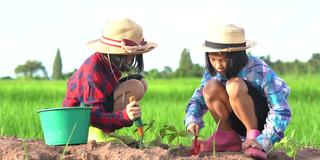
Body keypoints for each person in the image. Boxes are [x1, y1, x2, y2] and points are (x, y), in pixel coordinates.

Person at [185, 23, 291, 160]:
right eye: (213, 59)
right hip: (235, 121)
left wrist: (264, 140)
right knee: (210, 88)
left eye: (223, 60)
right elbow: (197, 100)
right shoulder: (212, 72)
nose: (218, 66)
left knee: (234, 85)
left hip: (261, 124)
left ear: (238, 55)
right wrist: (192, 120)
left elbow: (280, 108)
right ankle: (226, 136)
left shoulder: (258, 69)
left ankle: (252, 136)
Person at [62, 18, 157, 135]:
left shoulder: (109, 64)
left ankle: (105, 132)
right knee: (135, 87)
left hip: (94, 111)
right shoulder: (93, 72)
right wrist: (125, 116)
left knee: (141, 82)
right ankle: (99, 134)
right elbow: (93, 115)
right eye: (131, 55)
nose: (132, 59)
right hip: (79, 123)